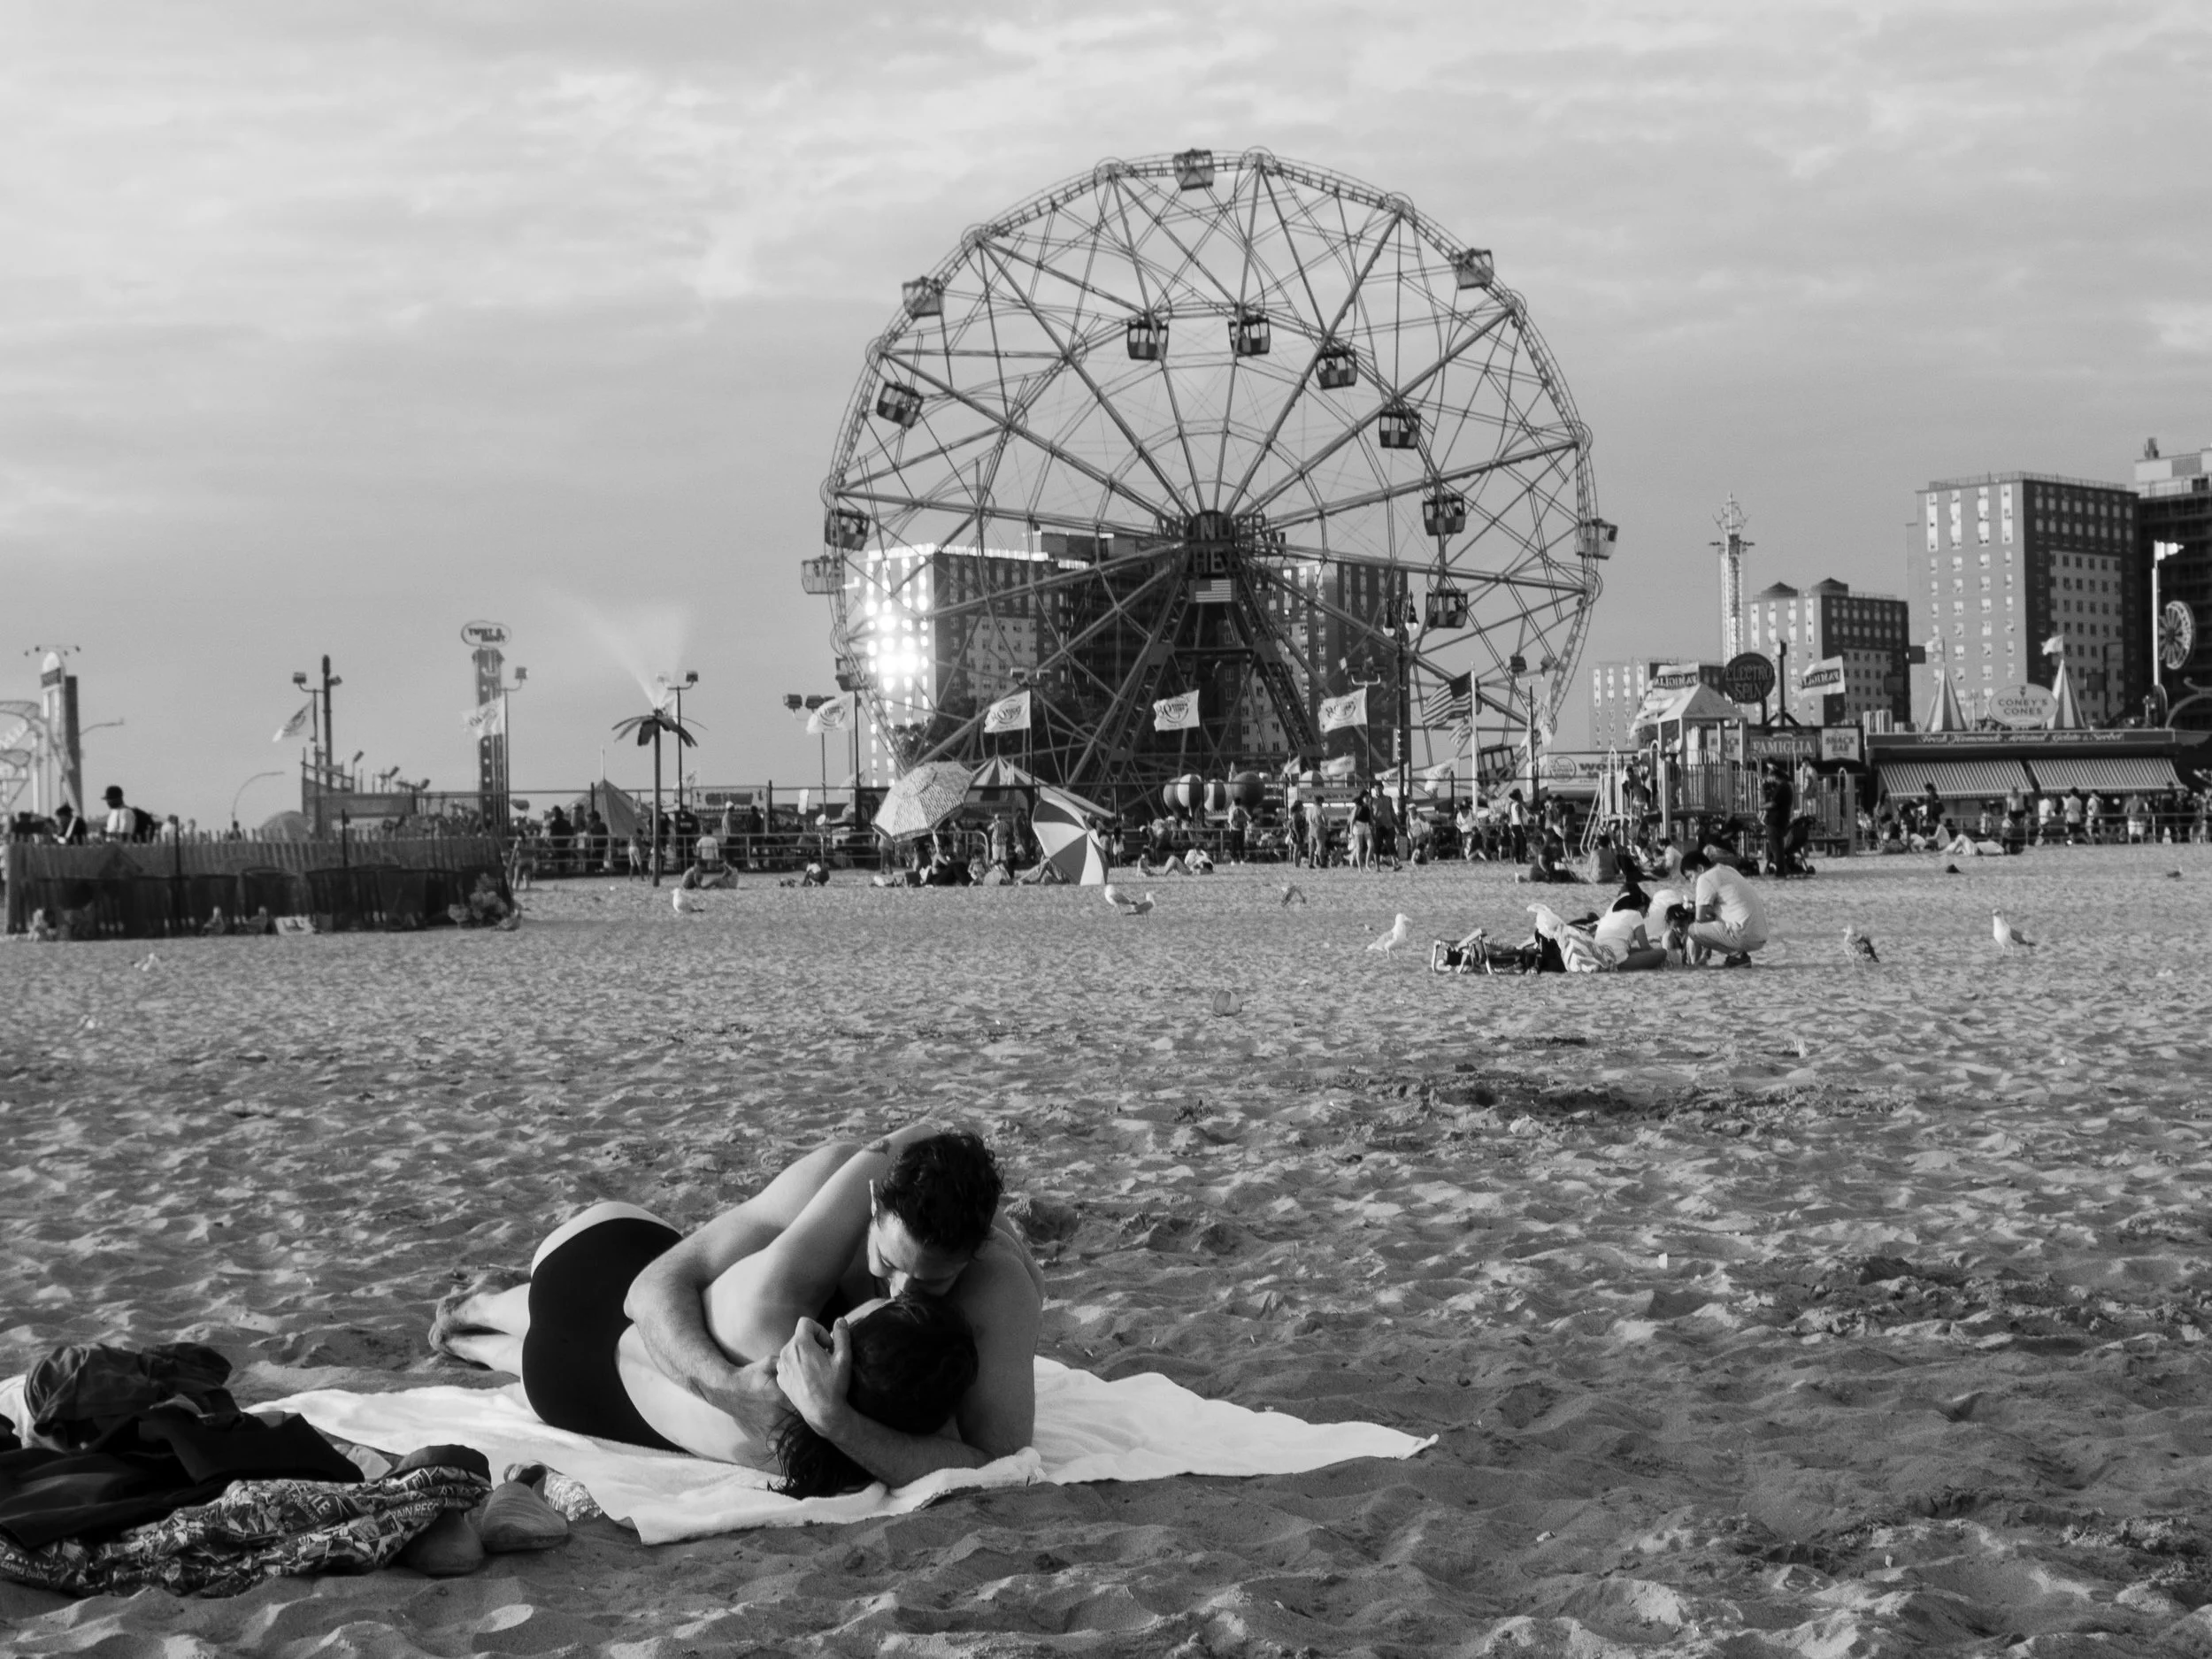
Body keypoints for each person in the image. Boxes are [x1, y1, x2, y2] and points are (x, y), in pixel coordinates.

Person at [432, 1126, 1041, 1490]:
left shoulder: (998, 1287)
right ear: (873, 1203)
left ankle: (477, 1325)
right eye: (889, 1260)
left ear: (976, 1249)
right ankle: (485, 1303)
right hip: (601, 1257)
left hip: (572, 1374)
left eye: (931, 1280)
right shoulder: (820, 1220)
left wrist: (840, 1422)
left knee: (547, 1349)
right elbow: (649, 1290)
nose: (903, 1290)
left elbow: (998, 1460)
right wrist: (726, 1387)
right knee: (562, 1318)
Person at [1678, 847, 1769, 967]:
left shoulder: (1704, 878)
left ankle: (1737, 956)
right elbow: (1725, 906)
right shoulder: (1727, 870)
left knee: (1693, 930)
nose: (1692, 882)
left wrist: (1705, 949)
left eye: (1690, 876)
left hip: (1744, 935)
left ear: (1700, 868)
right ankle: (1737, 955)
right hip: (1761, 935)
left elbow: (1700, 919)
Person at [1761, 759, 1795, 877]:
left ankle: (1780, 872)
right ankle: (1781, 871)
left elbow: (1772, 804)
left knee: (1776, 849)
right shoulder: (1785, 787)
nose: (1770, 779)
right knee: (1778, 848)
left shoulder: (1782, 788)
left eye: (1771, 776)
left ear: (1775, 777)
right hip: (1781, 821)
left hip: (1775, 822)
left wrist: (1760, 806)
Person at [1348, 787, 1374, 871]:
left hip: (1366, 826)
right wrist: (1351, 833)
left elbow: (1370, 819)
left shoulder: (1368, 807)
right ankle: (1360, 867)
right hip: (1358, 826)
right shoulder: (1357, 808)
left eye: (1368, 797)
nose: (1368, 799)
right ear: (1362, 798)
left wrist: (1373, 826)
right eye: (1366, 797)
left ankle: (1367, 864)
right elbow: (1352, 821)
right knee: (1360, 847)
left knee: (1371, 845)